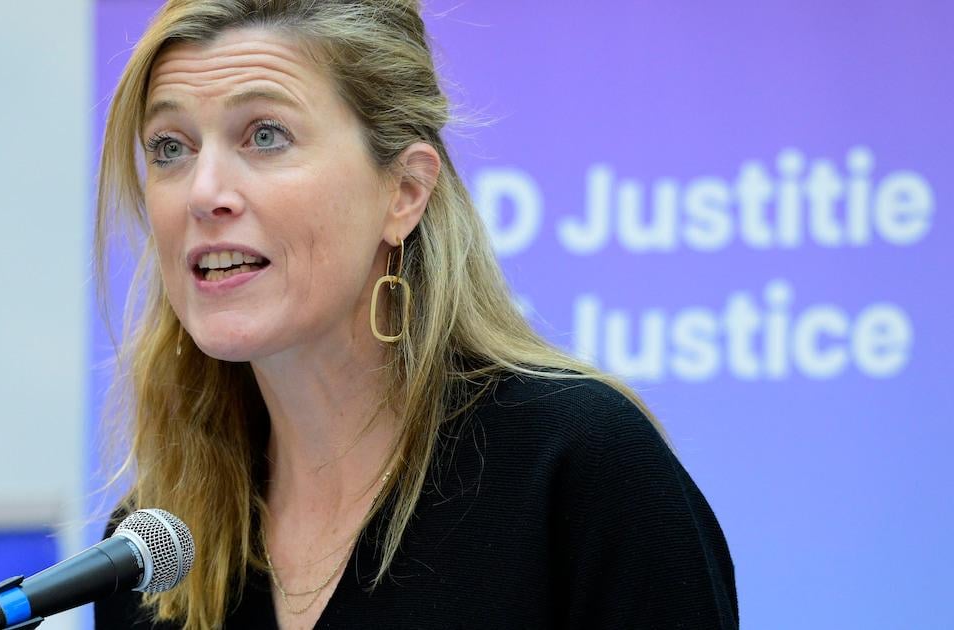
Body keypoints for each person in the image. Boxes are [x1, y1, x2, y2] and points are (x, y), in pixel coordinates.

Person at [92, 1, 738, 628]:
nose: (203, 192)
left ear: (404, 192)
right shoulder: (149, 553)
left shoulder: (579, 469)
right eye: (169, 147)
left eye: (266, 136)